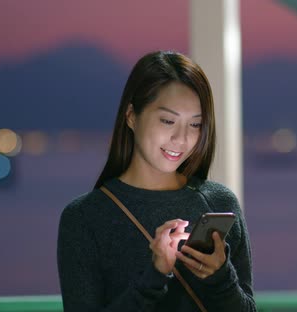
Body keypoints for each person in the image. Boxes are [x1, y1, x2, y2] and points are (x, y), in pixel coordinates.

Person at [57, 50, 257, 311]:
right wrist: (154, 275)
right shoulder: (84, 218)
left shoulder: (219, 202)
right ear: (131, 116)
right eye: (167, 120)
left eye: (195, 125)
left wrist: (220, 278)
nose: (181, 138)